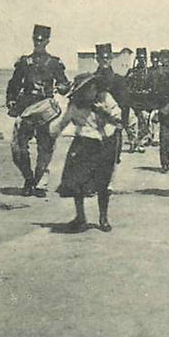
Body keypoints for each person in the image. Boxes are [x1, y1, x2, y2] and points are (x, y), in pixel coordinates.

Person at [51, 74, 124, 233]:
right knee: (77, 182)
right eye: (87, 89)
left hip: (105, 143)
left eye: (92, 87)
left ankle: (103, 218)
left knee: (102, 183)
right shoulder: (76, 105)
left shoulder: (105, 98)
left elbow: (118, 120)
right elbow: (63, 122)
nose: (91, 91)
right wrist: (52, 132)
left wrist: (104, 112)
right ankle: (80, 216)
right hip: (84, 143)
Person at [7, 24, 69, 197]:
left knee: (45, 147)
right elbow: (14, 84)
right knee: (18, 148)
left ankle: (40, 182)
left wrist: (63, 87)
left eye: (42, 40)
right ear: (33, 39)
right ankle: (28, 178)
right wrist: (11, 100)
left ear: (48, 41)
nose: (38, 43)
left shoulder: (55, 63)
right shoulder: (24, 62)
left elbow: (63, 83)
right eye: (36, 39)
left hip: (45, 109)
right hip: (26, 107)